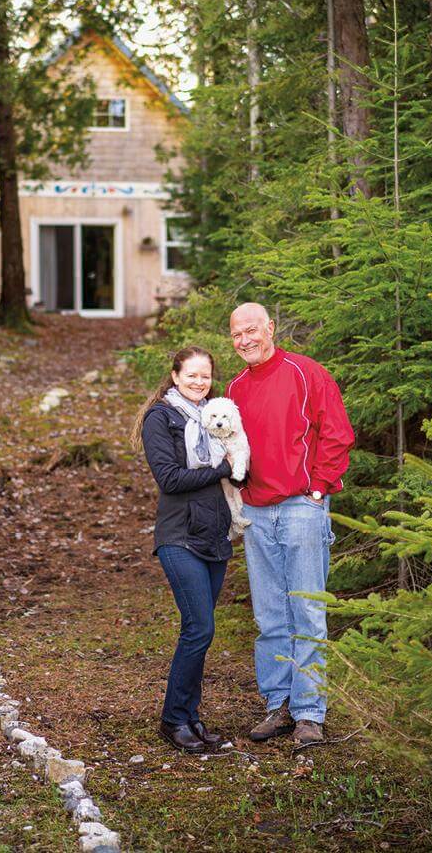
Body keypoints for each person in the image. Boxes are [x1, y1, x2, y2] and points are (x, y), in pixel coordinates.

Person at [226, 303, 355, 746]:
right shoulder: (235, 388)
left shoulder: (306, 373)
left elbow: (337, 433)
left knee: (308, 612)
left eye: (251, 330)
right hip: (256, 513)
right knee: (269, 617)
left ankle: (309, 713)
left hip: (301, 506)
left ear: (270, 328)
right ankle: (278, 703)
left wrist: (318, 489)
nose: (245, 340)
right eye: (236, 335)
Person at [132, 346, 235, 753]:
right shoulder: (161, 418)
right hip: (178, 536)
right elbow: (170, 479)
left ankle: (191, 716)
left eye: (205, 376)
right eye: (191, 374)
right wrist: (223, 468)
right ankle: (174, 719)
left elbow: (237, 462)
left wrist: (238, 470)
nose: (199, 382)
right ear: (175, 376)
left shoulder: (217, 415)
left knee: (200, 633)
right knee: (200, 627)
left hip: (214, 535)